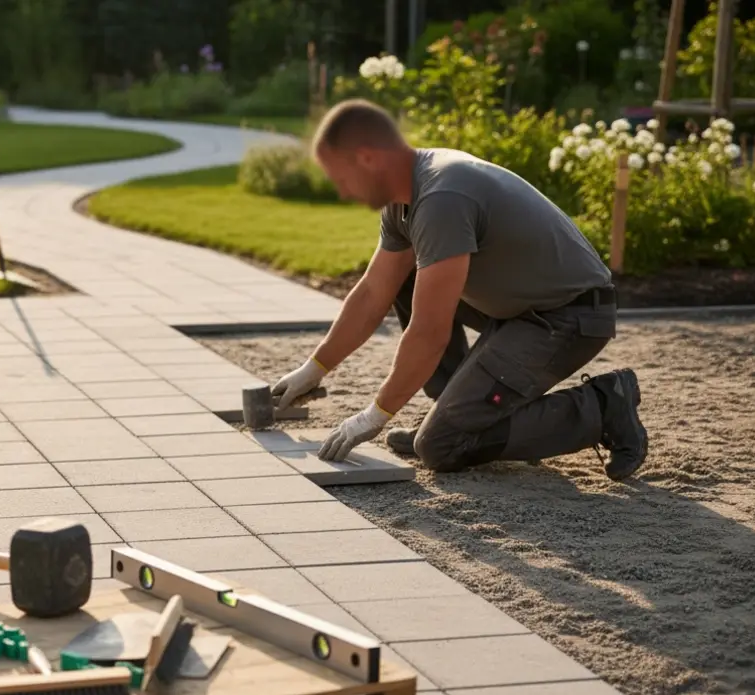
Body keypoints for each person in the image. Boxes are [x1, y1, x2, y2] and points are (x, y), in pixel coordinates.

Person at [271, 98, 647, 481]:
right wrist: (314, 369)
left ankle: (603, 406)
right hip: (522, 312)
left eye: (340, 178)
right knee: (405, 279)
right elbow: (373, 292)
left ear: (367, 158)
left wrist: (376, 414)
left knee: (441, 445)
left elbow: (430, 331)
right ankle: (457, 410)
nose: (342, 192)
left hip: (570, 318)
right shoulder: (405, 198)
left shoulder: (441, 199)